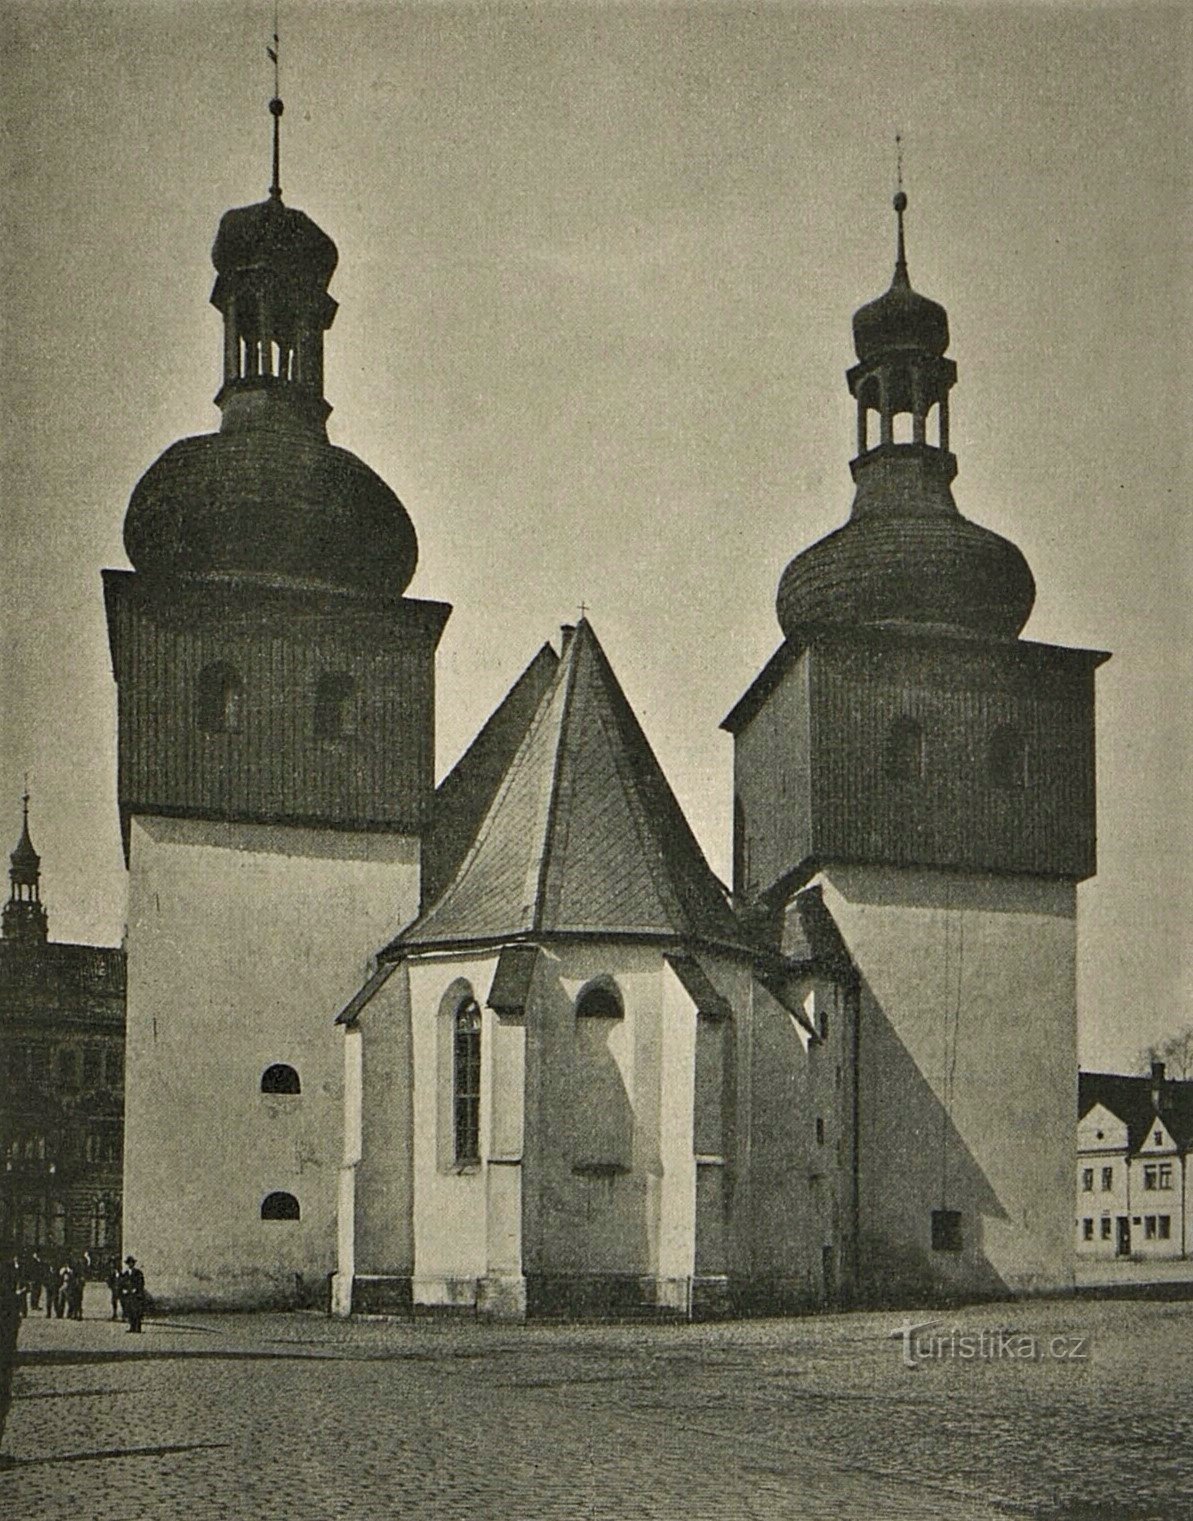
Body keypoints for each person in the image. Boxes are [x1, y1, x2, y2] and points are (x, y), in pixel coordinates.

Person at [120, 1256, 146, 1334]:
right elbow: (122, 1283)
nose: (130, 1265)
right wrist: (124, 1289)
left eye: (131, 1263)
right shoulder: (125, 1273)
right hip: (128, 1295)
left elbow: (141, 1283)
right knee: (130, 1311)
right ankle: (132, 1327)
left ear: (133, 1264)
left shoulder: (138, 1273)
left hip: (136, 1295)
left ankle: (138, 1327)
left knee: (137, 1311)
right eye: (128, 1263)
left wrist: (136, 1289)